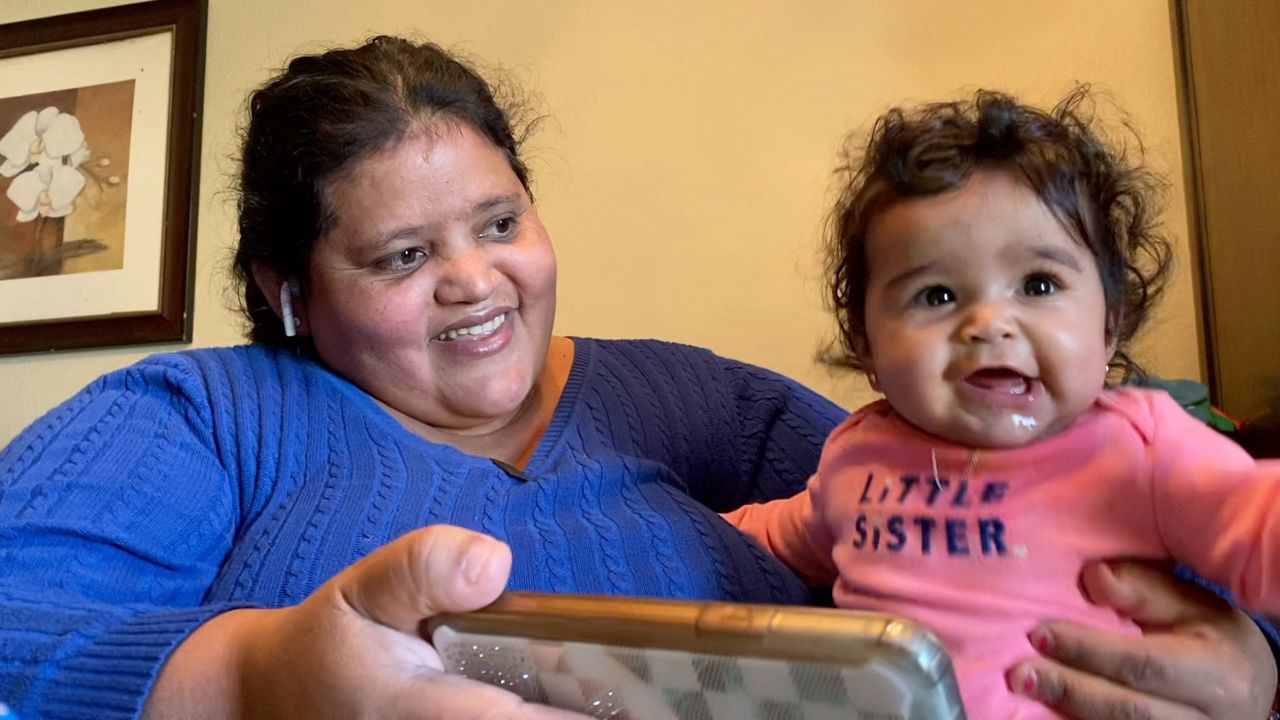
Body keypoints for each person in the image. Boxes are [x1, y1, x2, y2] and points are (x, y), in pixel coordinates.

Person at [0, 38, 1273, 720]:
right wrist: (254, 683)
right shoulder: (202, 417)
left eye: (500, 223)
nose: (476, 280)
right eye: (403, 254)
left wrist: (1250, 665)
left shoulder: (689, 399)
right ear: (290, 287)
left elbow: (1003, 495)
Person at [724, 88, 1280, 718]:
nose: (989, 324)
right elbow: (784, 533)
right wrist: (705, 529)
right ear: (867, 346)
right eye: (935, 295)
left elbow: (1250, 520)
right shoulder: (858, 455)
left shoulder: (1138, 447)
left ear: (1109, 326)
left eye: (1038, 284)